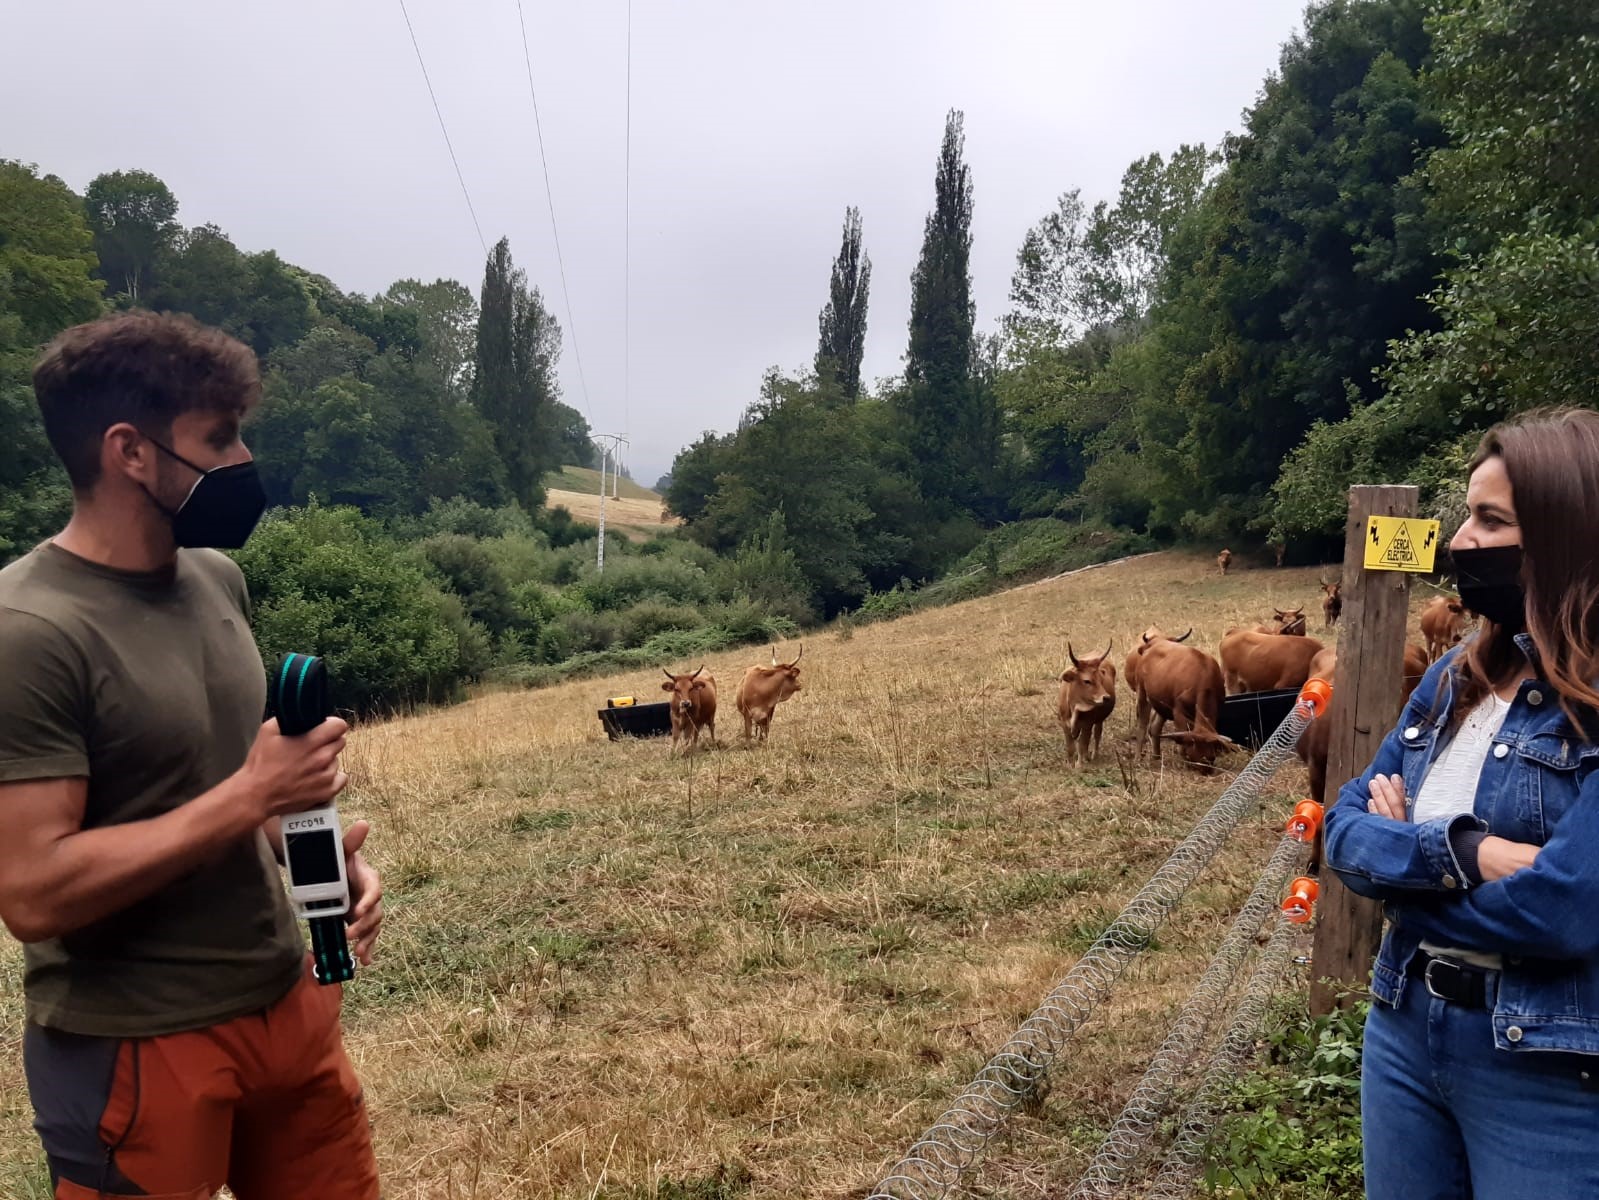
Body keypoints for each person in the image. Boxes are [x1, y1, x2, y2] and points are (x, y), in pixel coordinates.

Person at [0, 312, 384, 1199]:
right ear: (130, 452)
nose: (243, 459)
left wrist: (319, 855)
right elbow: (31, 891)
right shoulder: (28, 632)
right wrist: (251, 797)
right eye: (219, 438)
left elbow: (232, 783)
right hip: (137, 1045)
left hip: (287, 1007)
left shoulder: (217, 578)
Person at [1322, 407, 1599, 1199]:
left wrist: (1400, 883)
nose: (1461, 541)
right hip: (1404, 1028)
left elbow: (1562, 911)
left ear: (1568, 534)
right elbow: (1342, 830)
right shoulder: (1455, 677)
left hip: (1551, 1068)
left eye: (1490, 520)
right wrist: (1471, 855)